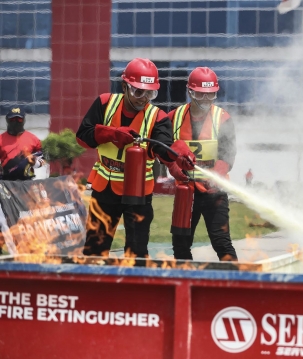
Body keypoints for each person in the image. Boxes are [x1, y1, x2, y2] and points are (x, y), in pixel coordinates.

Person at [76, 58, 196, 259]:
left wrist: (179, 154)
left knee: (137, 253)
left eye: (150, 93)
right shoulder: (105, 103)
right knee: (94, 251)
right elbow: (82, 136)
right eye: (138, 92)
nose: (144, 98)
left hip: (139, 193)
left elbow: (162, 147)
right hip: (105, 189)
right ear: (125, 86)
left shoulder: (157, 117)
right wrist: (112, 134)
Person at [166, 67, 238, 261]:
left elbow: (228, 152)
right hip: (185, 192)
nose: (206, 99)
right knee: (180, 243)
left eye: (211, 95)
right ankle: (184, 285)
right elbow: (166, 150)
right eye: (201, 94)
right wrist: (174, 169)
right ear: (190, 92)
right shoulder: (174, 117)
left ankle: (233, 283)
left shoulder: (223, 118)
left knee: (221, 241)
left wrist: (216, 175)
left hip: (214, 192)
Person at [0, 106, 45, 181]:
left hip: (27, 182)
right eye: (13, 119)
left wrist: (34, 162)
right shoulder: (1, 139)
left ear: (23, 120)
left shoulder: (33, 139)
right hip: (6, 182)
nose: (16, 122)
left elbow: (42, 159)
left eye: (19, 119)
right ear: (7, 120)